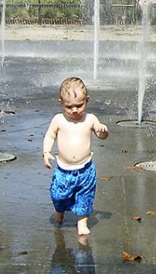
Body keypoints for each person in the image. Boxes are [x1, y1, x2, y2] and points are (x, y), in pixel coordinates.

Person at [42, 77, 109, 236]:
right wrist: (46, 152)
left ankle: (82, 222)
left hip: (85, 170)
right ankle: (59, 210)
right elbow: (50, 136)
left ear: (87, 100)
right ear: (61, 103)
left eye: (79, 105)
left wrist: (103, 131)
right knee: (58, 195)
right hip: (63, 170)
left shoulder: (90, 119)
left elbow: (101, 136)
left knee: (84, 197)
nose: (74, 110)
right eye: (69, 106)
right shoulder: (59, 120)